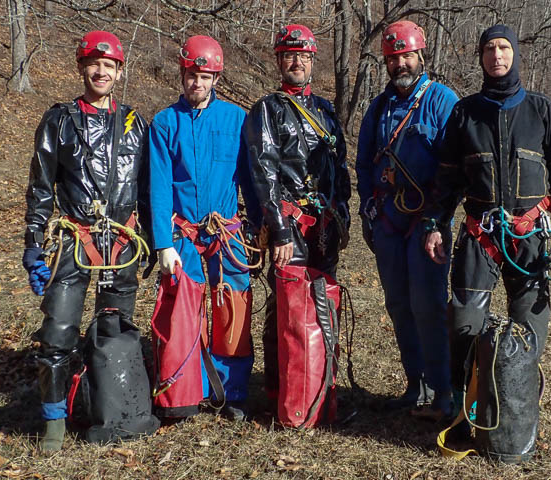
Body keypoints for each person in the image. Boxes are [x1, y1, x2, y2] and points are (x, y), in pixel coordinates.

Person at [424, 25, 551, 416]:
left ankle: (518, 409)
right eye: (488, 49)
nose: (496, 55)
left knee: (531, 323)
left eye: (503, 48)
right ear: (480, 57)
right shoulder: (465, 112)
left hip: (530, 235)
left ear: (515, 54)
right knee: (464, 319)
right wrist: (435, 224)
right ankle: (467, 408)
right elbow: (447, 179)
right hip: (479, 234)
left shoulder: (541, 110)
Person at [23, 31, 150, 451]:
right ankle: (55, 422)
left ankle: (109, 410)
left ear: (119, 71)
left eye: (109, 66)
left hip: (122, 244)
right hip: (74, 241)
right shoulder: (58, 121)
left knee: (114, 331)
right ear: (82, 68)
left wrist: (150, 239)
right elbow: (41, 188)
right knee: (57, 333)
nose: (101, 71)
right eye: (94, 64)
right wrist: (33, 243)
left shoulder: (135, 124)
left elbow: (148, 188)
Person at [148, 35, 260, 421]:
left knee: (233, 309)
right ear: (182, 74)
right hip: (183, 234)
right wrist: (163, 242)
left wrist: (260, 226)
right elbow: (159, 186)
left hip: (226, 232)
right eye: (192, 75)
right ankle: (185, 390)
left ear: (216, 78)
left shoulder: (236, 119)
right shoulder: (164, 123)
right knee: (183, 310)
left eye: (205, 76)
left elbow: (249, 179)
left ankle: (232, 392)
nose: (197, 82)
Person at [243, 24, 351, 408]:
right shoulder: (266, 110)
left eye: (303, 56)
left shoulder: (325, 110)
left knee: (323, 304)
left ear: (312, 61)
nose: (296, 63)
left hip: (324, 224)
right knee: (285, 308)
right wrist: (280, 231)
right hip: (289, 226)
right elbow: (263, 172)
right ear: (278, 60)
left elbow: (340, 168)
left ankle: (321, 385)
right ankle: (281, 391)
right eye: (289, 55)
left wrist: (344, 214)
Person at [356, 20, 458, 417]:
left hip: (427, 223)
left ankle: (442, 389)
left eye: (406, 55)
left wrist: (437, 217)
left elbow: (456, 169)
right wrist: (369, 207)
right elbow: (364, 163)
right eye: (393, 57)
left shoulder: (442, 101)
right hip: (387, 222)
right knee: (398, 304)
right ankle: (414, 383)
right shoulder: (378, 108)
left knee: (429, 304)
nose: (400, 63)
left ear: (421, 56)